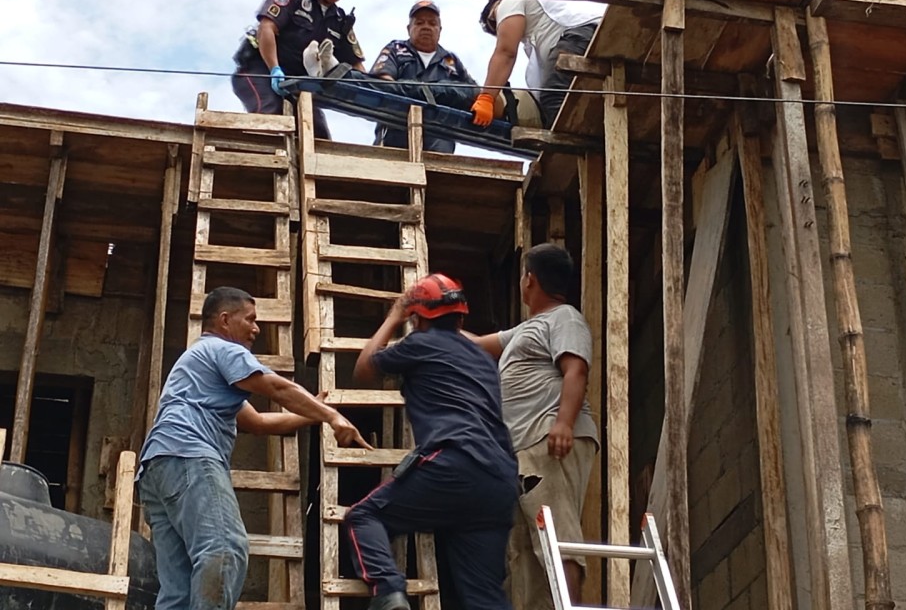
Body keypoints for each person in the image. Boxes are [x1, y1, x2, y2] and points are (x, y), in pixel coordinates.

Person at [137, 286, 370, 610]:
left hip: (158, 468)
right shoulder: (223, 349)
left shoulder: (198, 363)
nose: (257, 329)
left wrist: (312, 416)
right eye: (250, 319)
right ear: (224, 320)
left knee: (179, 587)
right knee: (224, 549)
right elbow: (276, 386)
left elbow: (258, 422)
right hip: (190, 455)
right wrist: (333, 416)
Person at [347, 274, 518, 610]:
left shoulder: (419, 344)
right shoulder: (484, 360)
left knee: (363, 517)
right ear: (463, 317)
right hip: (499, 480)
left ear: (418, 319)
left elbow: (363, 370)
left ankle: (389, 594)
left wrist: (395, 316)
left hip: (455, 462)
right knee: (483, 596)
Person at [466, 243, 599, 610]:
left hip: (547, 438)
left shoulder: (565, 318)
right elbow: (478, 344)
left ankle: (568, 606)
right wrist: (438, 323)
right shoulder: (528, 329)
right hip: (523, 450)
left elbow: (576, 370)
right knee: (524, 549)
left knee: (555, 530)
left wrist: (563, 423)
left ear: (531, 280)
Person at [231, 0, 368, 140]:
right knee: (269, 116)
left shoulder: (340, 21)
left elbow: (357, 65)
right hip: (261, 70)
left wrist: (369, 91)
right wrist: (274, 69)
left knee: (318, 136)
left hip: (300, 84)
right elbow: (267, 28)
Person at [472, 0, 604, 130]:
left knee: (556, 100)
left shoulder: (508, 1)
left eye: (495, 23)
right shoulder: (536, 40)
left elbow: (506, 53)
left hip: (577, 37)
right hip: (587, 36)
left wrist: (487, 97)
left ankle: (574, 149)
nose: (500, 30)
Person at [369, 0, 479, 154]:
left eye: (432, 23)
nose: (426, 27)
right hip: (395, 137)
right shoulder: (395, 49)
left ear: (440, 29)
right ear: (409, 28)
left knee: (438, 176)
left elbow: (474, 94)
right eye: (419, 23)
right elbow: (382, 84)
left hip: (440, 140)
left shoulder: (450, 60)